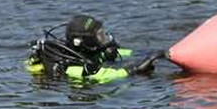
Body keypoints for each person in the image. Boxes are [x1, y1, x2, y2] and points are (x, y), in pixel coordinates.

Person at [25, 14, 164, 83]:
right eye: (99, 36)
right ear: (86, 41)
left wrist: (150, 53)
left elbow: (121, 53)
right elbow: (105, 75)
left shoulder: (88, 50)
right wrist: (135, 69)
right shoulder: (70, 66)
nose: (104, 39)